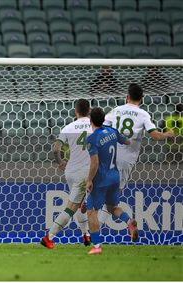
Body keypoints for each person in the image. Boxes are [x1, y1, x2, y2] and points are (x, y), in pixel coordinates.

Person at [100, 84, 175, 224]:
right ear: (141, 99)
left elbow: (101, 127)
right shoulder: (143, 114)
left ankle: (95, 232)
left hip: (109, 157)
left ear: (127, 97)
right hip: (126, 160)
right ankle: (97, 236)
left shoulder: (116, 110)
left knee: (102, 194)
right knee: (111, 201)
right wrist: (168, 134)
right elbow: (155, 136)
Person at [41, 99, 92, 249]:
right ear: (89, 111)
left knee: (79, 202)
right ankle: (49, 237)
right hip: (86, 172)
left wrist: (61, 162)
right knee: (72, 206)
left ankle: (86, 235)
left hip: (70, 171)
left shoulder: (68, 127)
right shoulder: (95, 127)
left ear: (76, 111)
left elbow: (56, 149)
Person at [85, 108, 136, 255]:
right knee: (112, 207)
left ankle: (96, 246)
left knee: (91, 211)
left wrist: (89, 180)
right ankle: (129, 222)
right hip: (115, 177)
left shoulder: (92, 139)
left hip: (101, 179)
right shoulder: (112, 131)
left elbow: (94, 163)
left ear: (91, 121)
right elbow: (127, 141)